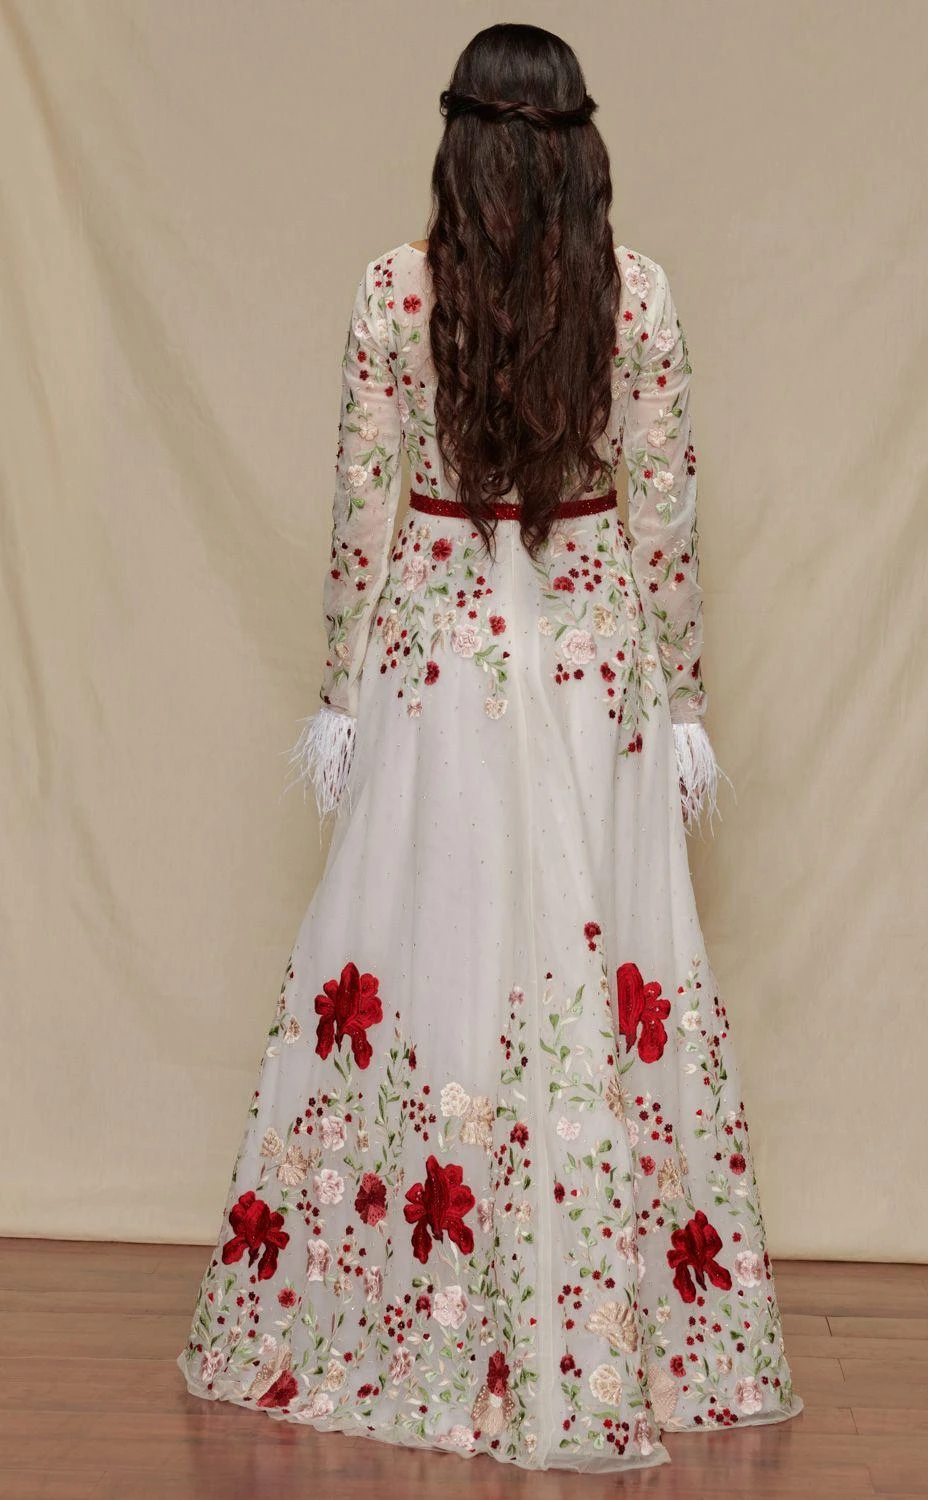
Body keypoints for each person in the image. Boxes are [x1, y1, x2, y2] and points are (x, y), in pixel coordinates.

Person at [176, 20, 805, 1473]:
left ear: (456, 138)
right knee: (589, 952)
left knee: (439, 948)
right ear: (583, 142)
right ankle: (603, 1314)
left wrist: (341, 686)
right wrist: (686, 697)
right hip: (590, 655)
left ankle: (426, 1309)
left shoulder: (395, 291)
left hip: (441, 652)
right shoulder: (636, 294)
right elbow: (664, 506)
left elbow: (364, 500)